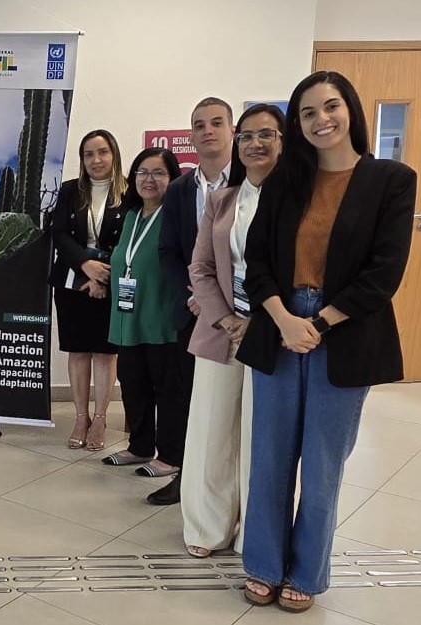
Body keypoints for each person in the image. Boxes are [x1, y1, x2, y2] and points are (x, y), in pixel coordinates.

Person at [237, 72, 416, 612]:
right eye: (308, 113)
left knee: (321, 466)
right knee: (269, 459)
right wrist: (285, 319)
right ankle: (264, 565)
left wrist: (319, 322)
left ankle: (307, 574)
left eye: (330, 107)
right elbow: (258, 264)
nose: (321, 120)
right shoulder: (285, 183)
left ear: (351, 111)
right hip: (279, 325)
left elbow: (385, 272)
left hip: (345, 333)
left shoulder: (391, 180)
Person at [180, 104, 285, 558]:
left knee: (259, 439)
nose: (255, 144)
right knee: (211, 432)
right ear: (237, 144)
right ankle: (207, 528)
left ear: (282, 141)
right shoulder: (221, 202)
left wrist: (261, 323)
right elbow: (200, 268)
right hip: (222, 329)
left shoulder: (295, 201)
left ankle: (253, 534)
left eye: (267, 135)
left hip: (274, 333)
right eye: (247, 136)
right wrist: (226, 318)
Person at [154, 96, 236, 506]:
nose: (208, 131)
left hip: (240, 312)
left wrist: (218, 302)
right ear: (191, 136)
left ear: (231, 130)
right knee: (187, 399)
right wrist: (195, 295)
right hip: (191, 311)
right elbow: (168, 251)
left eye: (216, 123)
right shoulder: (180, 190)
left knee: (231, 406)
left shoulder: (250, 182)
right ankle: (186, 480)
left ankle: (229, 489)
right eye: (199, 125)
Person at [106, 148, 186, 501]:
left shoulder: (177, 217)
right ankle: (139, 446)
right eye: (141, 172)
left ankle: (170, 456)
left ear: (173, 178)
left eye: (158, 173)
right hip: (128, 317)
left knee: (168, 391)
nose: (148, 180)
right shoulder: (131, 217)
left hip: (162, 317)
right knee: (133, 385)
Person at [49, 129, 129, 452]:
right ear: (82, 160)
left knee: (105, 353)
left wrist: (102, 278)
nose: (96, 160)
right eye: (88, 154)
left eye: (103, 152)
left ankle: (100, 417)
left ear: (114, 155)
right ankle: (80, 417)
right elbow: (59, 234)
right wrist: (86, 267)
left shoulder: (129, 192)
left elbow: (128, 239)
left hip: (111, 282)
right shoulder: (70, 191)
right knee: (78, 350)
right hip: (72, 282)